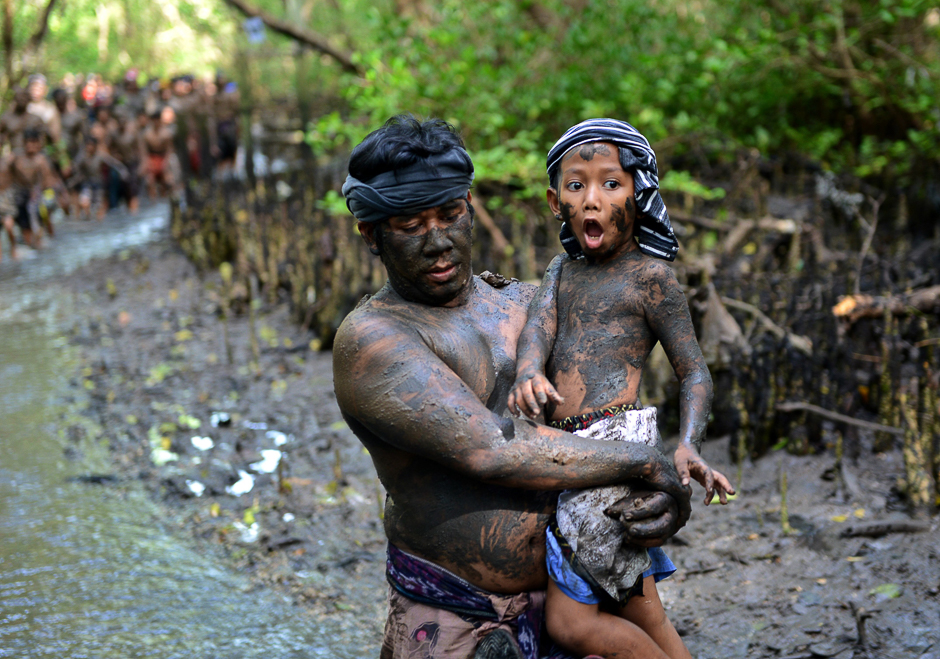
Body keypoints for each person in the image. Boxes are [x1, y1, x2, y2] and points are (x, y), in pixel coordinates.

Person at [334, 115, 693, 659]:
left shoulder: (523, 300)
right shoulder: (373, 340)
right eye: (409, 226)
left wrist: (657, 499)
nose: (438, 242)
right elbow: (491, 449)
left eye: (450, 214)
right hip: (457, 617)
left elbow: (602, 414)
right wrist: (645, 463)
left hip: (578, 597)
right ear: (371, 234)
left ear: (470, 205)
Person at [506, 119, 735, 659]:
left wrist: (689, 443)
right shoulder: (561, 270)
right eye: (576, 184)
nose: (593, 199)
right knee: (633, 604)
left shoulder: (651, 279)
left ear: (640, 193)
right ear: (554, 200)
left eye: (611, 183)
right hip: (563, 453)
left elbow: (694, 371)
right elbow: (537, 327)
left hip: (615, 448)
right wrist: (527, 372)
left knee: (579, 618)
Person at [1, 128, 65, 247]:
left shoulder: (41, 160)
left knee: (41, 218)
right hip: (20, 195)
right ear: (24, 143)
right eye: (28, 142)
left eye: (34, 142)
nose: (31, 145)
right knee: (25, 226)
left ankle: (50, 239)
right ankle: (30, 246)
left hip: (37, 196)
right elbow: (4, 170)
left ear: (38, 143)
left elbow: (48, 181)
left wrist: (43, 193)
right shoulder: (16, 157)